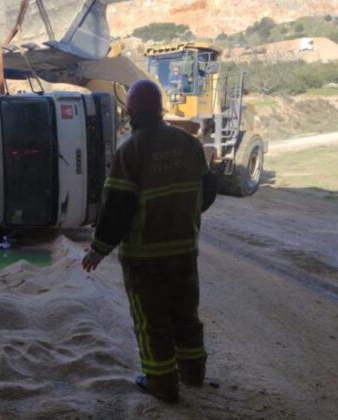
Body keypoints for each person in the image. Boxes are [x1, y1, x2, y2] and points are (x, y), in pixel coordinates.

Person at [82, 79, 217, 404]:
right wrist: (183, 215)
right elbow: (208, 190)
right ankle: (194, 372)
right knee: (185, 312)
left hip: (145, 259)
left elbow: (116, 208)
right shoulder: (189, 143)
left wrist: (97, 250)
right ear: (160, 109)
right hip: (184, 251)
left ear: (130, 113)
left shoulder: (131, 151)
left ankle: (162, 383)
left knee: (152, 320)